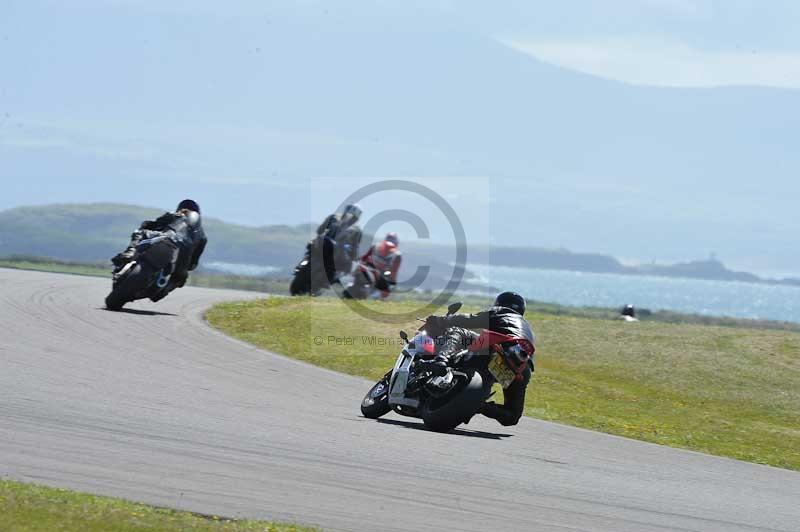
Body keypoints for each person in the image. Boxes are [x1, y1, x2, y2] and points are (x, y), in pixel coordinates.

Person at [422, 292, 535, 426]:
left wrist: (440, 320)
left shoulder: (502, 312)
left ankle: (441, 360)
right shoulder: (527, 329)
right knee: (511, 416)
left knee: (459, 331)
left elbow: (470, 319)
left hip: (497, 346)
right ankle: (480, 406)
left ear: (499, 303)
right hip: (523, 366)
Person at [111, 199, 207, 297]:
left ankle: (131, 252)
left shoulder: (177, 217)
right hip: (168, 245)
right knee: (181, 277)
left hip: (171, 247)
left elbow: (149, 225)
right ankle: (131, 253)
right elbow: (193, 263)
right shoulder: (201, 234)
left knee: (180, 278)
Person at [314, 203, 363, 284]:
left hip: (325, 244)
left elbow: (319, 231)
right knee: (347, 264)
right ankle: (333, 277)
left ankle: (332, 276)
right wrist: (354, 258)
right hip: (335, 250)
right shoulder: (357, 230)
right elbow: (355, 248)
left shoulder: (333, 217)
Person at [358, 232, 402, 298]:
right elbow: (394, 272)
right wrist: (393, 283)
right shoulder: (397, 254)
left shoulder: (375, 245)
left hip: (368, 270)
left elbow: (364, 258)